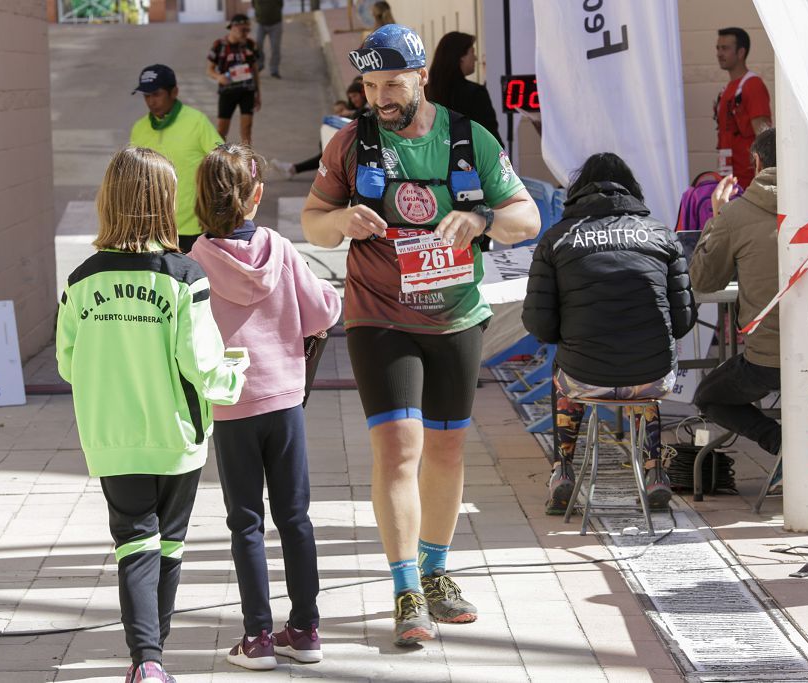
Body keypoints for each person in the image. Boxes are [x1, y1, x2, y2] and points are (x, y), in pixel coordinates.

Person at [301, 24, 540, 646]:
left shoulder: (470, 139)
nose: (379, 96)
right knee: (398, 448)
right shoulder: (352, 145)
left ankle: (437, 571)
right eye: (370, 85)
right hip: (379, 313)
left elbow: (527, 217)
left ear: (420, 77)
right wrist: (341, 219)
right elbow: (312, 224)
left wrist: (480, 218)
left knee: (448, 450)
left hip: (455, 315)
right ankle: (405, 587)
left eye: (391, 83)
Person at [56, 147, 248, 683]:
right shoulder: (184, 276)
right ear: (166, 202)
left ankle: (149, 661)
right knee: (168, 543)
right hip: (176, 434)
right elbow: (203, 365)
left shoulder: (80, 280)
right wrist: (237, 377)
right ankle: (151, 657)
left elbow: (67, 363)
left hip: (110, 437)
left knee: (134, 540)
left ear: (107, 201)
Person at [190, 143, 342, 670]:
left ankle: (256, 637)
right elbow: (321, 312)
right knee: (295, 516)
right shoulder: (280, 249)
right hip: (285, 403)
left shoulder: (194, 263)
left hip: (232, 405)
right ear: (257, 195)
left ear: (201, 201)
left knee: (246, 521)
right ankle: (305, 629)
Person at [521, 153, 697, 514]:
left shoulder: (557, 239)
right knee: (642, 380)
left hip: (583, 377)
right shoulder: (662, 235)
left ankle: (563, 470)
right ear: (632, 190)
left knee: (564, 378)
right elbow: (683, 321)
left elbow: (540, 325)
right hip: (651, 378)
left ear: (577, 191)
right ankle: (653, 472)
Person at [691, 129, 781, 471]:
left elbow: (702, 280)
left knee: (708, 396)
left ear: (757, 162)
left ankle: (782, 445)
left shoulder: (735, 215)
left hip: (767, 361)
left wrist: (717, 216)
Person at [129, 64, 223, 253]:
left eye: (156, 94)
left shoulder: (196, 121)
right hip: (153, 229)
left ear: (174, 92)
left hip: (194, 228)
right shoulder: (139, 128)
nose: (150, 102)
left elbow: (223, 162)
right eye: (146, 96)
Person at [272, 78, 367, 180]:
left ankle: (292, 169)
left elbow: (363, 116)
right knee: (325, 156)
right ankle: (292, 169)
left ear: (362, 94)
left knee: (327, 157)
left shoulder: (366, 109)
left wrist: (350, 113)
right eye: (351, 97)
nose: (353, 100)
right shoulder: (354, 110)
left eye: (355, 96)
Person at [715, 27, 772, 190]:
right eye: (718, 48)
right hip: (729, 177)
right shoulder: (727, 89)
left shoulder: (752, 85)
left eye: (725, 48)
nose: (719, 53)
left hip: (748, 181)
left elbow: (763, 137)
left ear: (741, 52)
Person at [425, 31, 503, 146]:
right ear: (461, 57)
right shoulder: (475, 94)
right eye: (472, 52)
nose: (475, 58)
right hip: (468, 161)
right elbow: (490, 139)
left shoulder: (426, 92)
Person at [208, 14, 262, 146]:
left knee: (246, 128)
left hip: (247, 91)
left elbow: (255, 70)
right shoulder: (219, 45)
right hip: (227, 91)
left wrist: (258, 94)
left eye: (247, 30)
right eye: (242, 30)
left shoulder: (250, 45)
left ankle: (248, 162)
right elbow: (209, 70)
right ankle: (220, 160)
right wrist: (218, 77)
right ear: (232, 27)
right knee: (221, 130)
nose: (245, 33)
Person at [252, 0, 284, 79]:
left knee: (275, 48)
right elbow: (253, 4)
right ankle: (260, 64)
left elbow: (280, 4)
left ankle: (274, 70)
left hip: (275, 24)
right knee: (257, 45)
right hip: (261, 23)